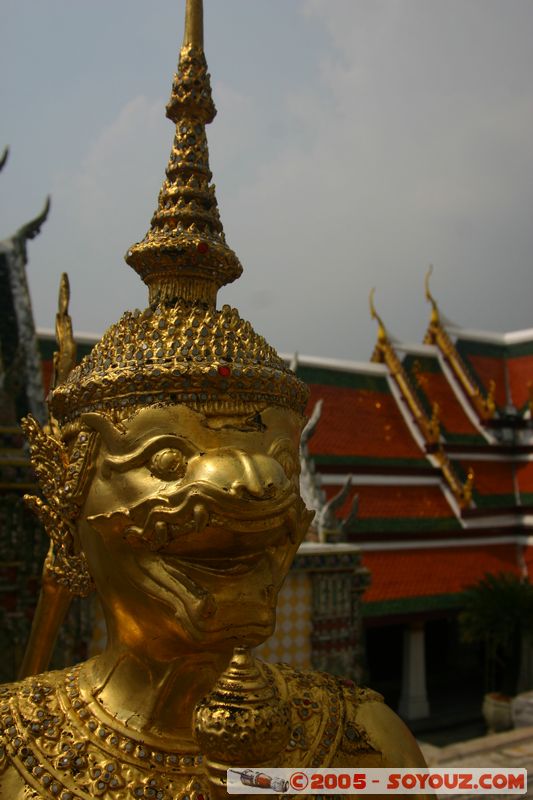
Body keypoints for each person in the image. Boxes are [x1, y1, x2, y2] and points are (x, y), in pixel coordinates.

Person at [0, 3, 426, 797]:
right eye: (165, 455)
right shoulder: (12, 743)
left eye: (275, 456)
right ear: (67, 499)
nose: (252, 484)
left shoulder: (364, 744)